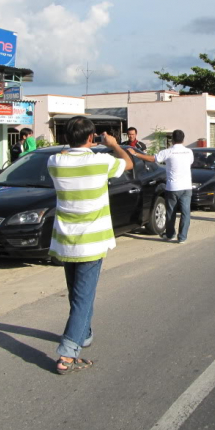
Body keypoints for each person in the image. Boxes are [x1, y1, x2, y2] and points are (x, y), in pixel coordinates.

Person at [48, 116, 133, 375]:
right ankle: (68, 353)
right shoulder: (101, 161)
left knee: (77, 294)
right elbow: (128, 163)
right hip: (92, 241)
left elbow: (64, 153)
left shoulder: (55, 161)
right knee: (84, 298)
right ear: (91, 137)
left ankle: (83, 334)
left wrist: (73, 147)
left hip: (65, 241)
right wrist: (114, 144)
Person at [129, 129, 194, 243]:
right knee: (185, 213)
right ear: (183, 139)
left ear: (172, 140)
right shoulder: (189, 152)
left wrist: (135, 154)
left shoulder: (168, 152)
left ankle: (170, 234)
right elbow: (189, 162)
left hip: (173, 187)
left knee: (171, 212)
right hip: (186, 187)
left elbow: (152, 159)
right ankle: (182, 237)